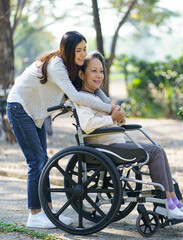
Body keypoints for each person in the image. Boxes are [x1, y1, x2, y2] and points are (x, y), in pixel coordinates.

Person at [6, 31, 124, 228]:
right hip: (19, 107)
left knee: (42, 159)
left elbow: (94, 90)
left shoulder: (73, 66)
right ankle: (35, 214)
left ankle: (48, 211)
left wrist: (111, 104)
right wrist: (110, 110)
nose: (82, 54)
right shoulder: (57, 65)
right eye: (78, 50)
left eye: (84, 49)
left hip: (35, 113)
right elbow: (75, 96)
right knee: (36, 161)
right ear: (67, 50)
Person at [75, 51, 183, 220]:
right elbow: (87, 125)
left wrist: (119, 118)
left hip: (114, 143)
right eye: (94, 71)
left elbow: (114, 122)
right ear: (82, 74)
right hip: (104, 148)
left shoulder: (98, 96)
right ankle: (164, 204)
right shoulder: (83, 98)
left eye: (101, 71)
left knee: (158, 150)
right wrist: (112, 117)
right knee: (154, 152)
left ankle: (173, 200)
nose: (99, 76)